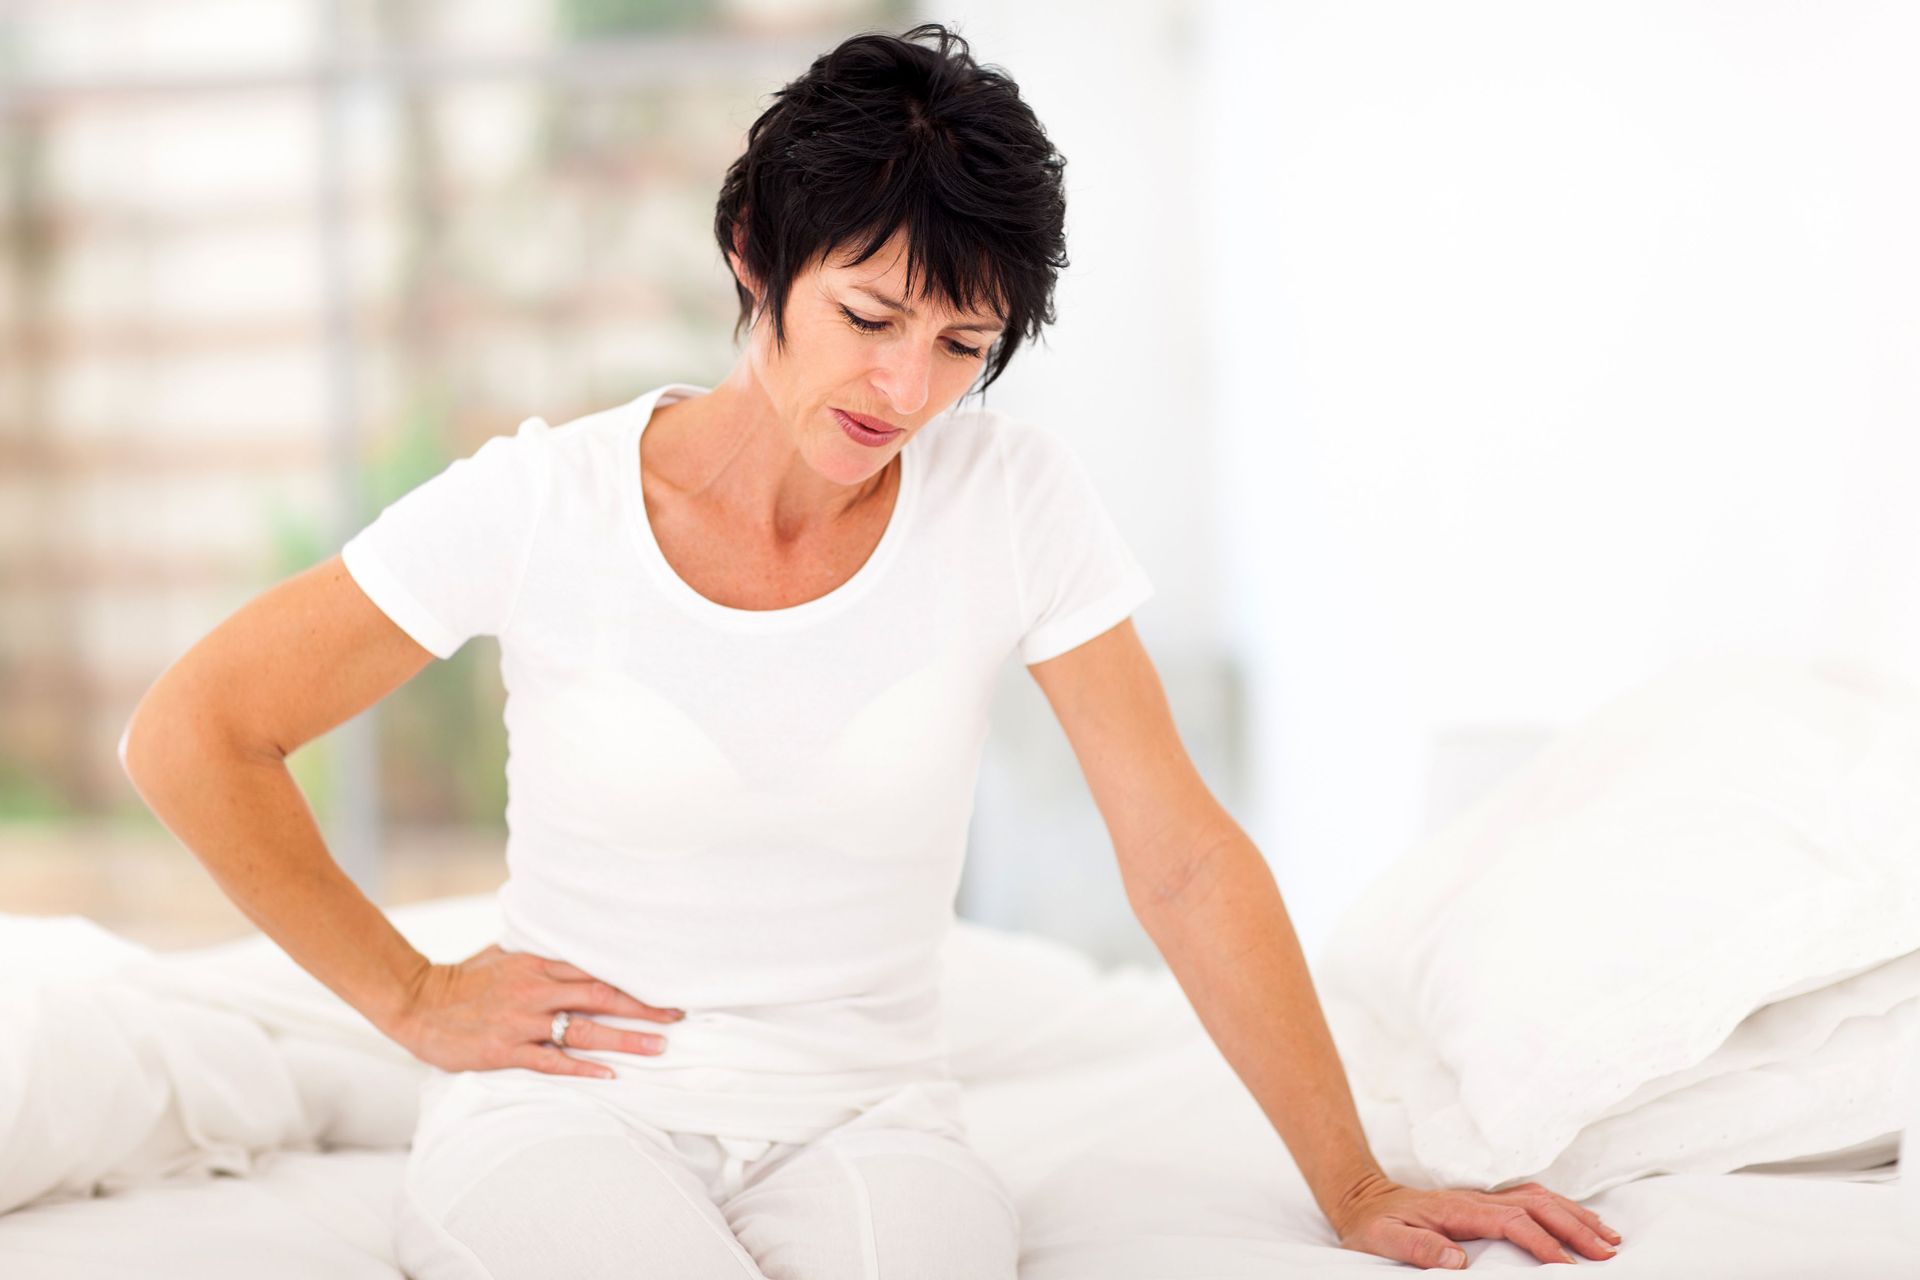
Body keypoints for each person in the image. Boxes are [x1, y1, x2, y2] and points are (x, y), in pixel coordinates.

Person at [120, 21, 1625, 1279]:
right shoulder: (547, 500)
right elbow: (193, 731)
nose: (905, 386)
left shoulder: (1014, 502)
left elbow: (1177, 857)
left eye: (962, 347)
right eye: (870, 315)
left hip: (873, 1117)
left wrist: (1354, 1183)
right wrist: (412, 995)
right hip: (568, 1112)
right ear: (752, 255)